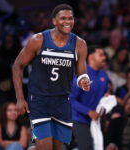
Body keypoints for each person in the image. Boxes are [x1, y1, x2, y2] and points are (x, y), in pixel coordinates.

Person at [12, 4, 90, 150]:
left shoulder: (80, 44)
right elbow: (17, 66)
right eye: (63, 18)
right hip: (39, 101)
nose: (67, 21)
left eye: (70, 18)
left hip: (62, 102)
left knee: (56, 148)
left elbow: (81, 73)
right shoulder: (38, 40)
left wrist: (83, 81)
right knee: (45, 147)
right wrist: (20, 98)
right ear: (54, 21)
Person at [70, 45, 108, 150]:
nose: (104, 58)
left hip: (97, 119)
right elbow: (71, 99)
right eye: (101, 55)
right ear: (91, 57)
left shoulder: (104, 75)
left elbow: (104, 97)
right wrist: (88, 112)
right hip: (80, 119)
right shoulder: (81, 74)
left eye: (104, 55)